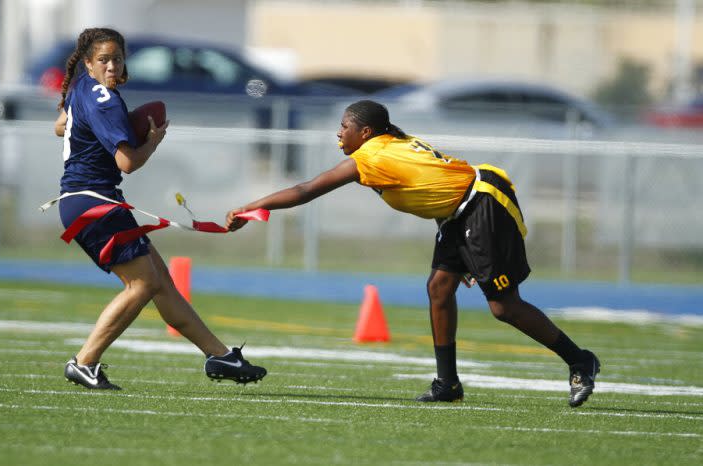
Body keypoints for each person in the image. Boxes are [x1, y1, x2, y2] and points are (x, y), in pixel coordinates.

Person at [226, 99, 599, 407]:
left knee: (504, 306)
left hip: (481, 203)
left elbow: (306, 190)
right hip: (457, 212)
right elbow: (433, 186)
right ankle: (447, 384)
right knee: (439, 289)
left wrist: (251, 207)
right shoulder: (387, 144)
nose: (339, 132)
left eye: (344, 126)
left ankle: (580, 360)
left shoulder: (369, 156)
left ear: (365, 132)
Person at [52, 27, 266, 390]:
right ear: (88, 63)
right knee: (143, 283)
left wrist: (101, 124)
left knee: (161, 284)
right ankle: (84, 361)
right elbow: (127, 162)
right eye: (102, 59)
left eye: (117, 58)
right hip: (93, 201)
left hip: (88, 200)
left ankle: (219, 356)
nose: (111, 65)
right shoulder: (104, 97)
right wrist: (152, 141)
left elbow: (61, 126)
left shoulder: (82, 91)